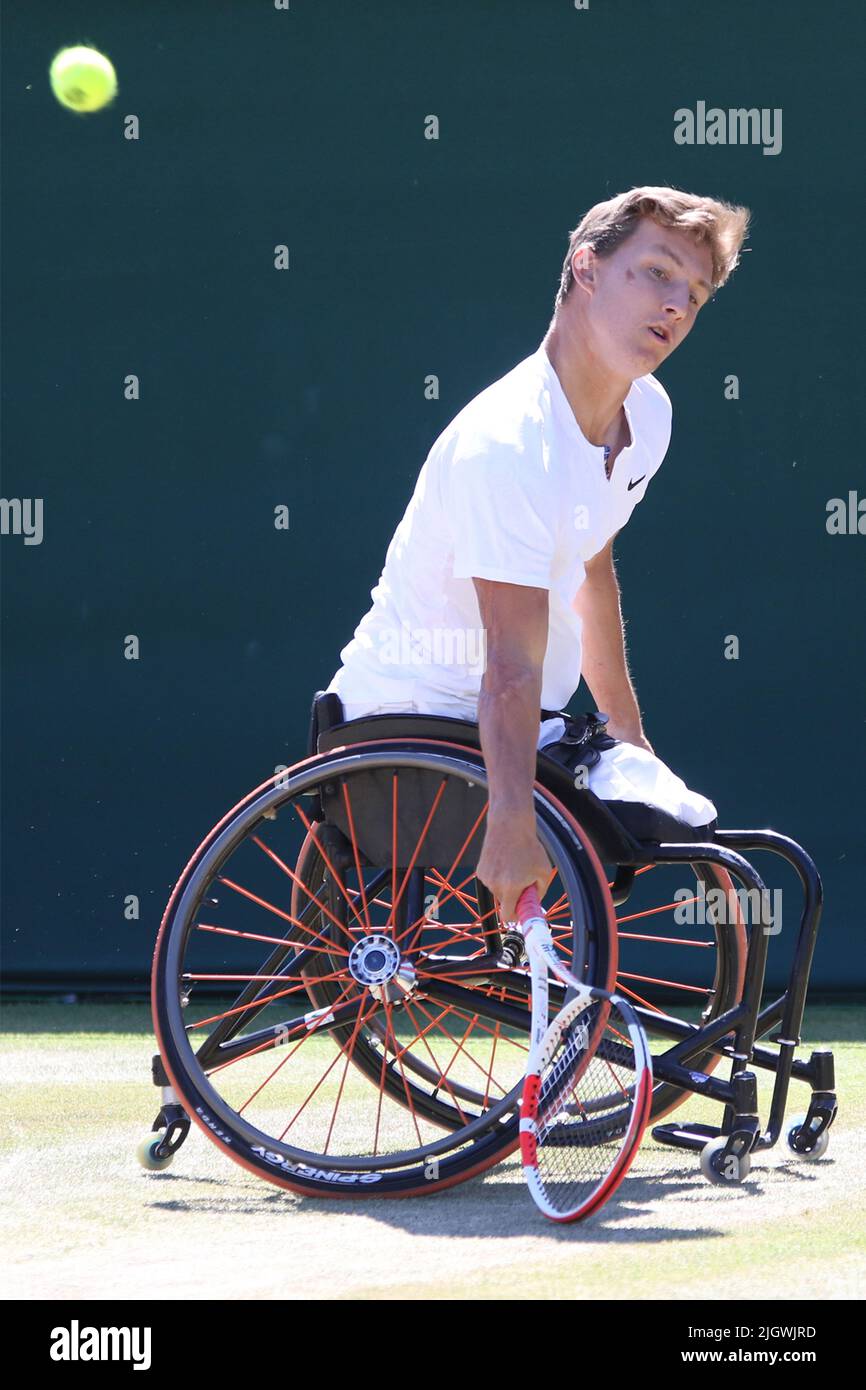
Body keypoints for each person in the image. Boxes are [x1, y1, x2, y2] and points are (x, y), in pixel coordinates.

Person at [324, 186, 750, 920]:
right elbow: (511, 665)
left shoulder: (647, 415)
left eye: (696, 291)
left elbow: (590, 569)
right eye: (656, 272)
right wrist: (513, 824)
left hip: (516, 725)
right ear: (586, 268)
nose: (677, 304)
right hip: (408, 736)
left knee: (707, 839)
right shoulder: (508, 443)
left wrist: (628, 734)